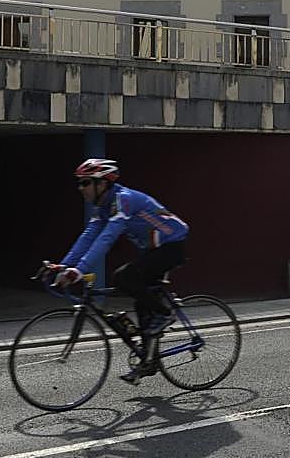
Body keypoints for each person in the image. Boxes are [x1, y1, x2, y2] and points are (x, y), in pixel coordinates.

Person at [44, 158, 189, 385]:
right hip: (153, 249)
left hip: (172, 245)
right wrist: (64, 266)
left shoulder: (124, 200)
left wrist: (79, 271)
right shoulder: (102, 206)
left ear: (102, 184)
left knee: (124, 277)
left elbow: (107, 237)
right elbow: (89, 235)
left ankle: (165, 313)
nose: (80, 188)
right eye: (79, 183)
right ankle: (148, 361)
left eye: (85, 182)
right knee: (140, 299)